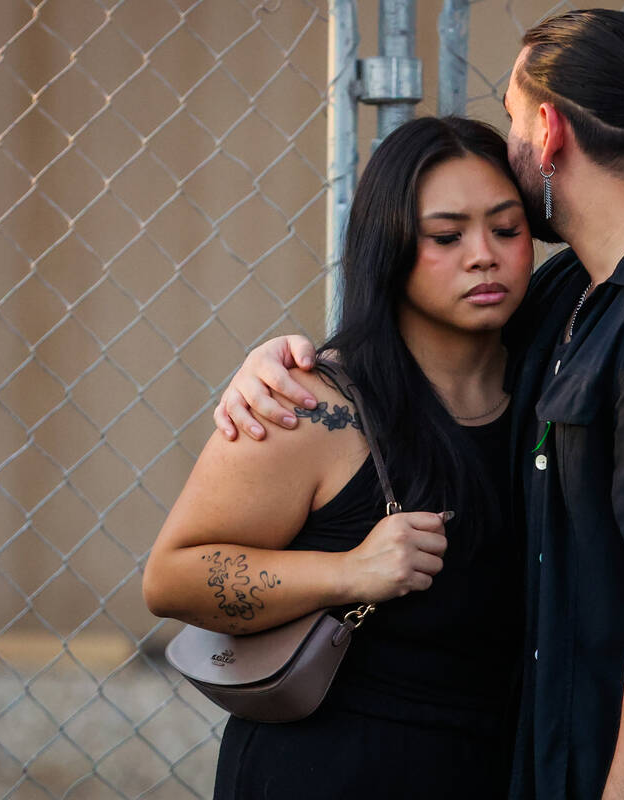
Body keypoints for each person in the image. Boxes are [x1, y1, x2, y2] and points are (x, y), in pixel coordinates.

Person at [216, 9, 624, 799]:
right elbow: (419, 348)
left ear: (548, 132)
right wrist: (283, 364)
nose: (506, 149)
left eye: (508, 118)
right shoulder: (577, 292)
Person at [143, 116, 534, 799]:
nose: (484, 255)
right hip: (332, 768)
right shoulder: (310, 405)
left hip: (493, 763)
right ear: (390, 246)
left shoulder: (552, 380)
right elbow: (171, 580)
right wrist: (349, 572)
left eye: (507, 229)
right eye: (446, 236)